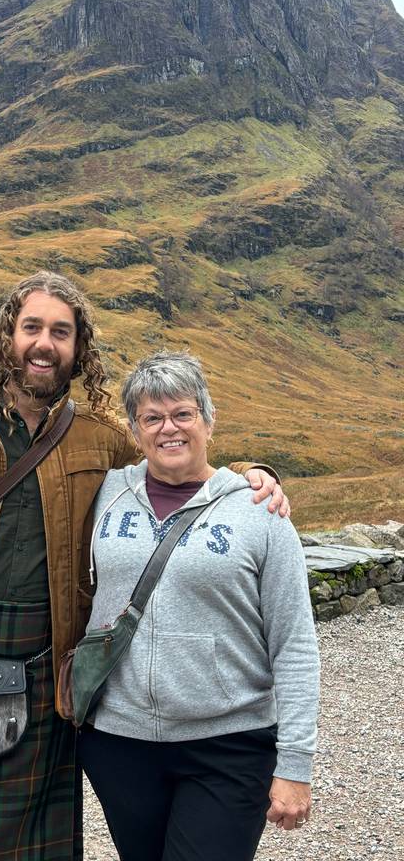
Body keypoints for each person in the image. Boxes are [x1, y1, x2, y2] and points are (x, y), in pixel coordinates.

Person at [0, 271, 289, 861]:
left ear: (78, 348)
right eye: (33, 327)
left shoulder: (99, 437)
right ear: (8, 334)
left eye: (62, 332)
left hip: (43, 663)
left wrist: (252, 475)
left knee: (32, 845)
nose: (45, 343)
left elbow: (178, 462)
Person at [78, 349, 320, 861]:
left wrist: (294, 764)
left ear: (208, 420)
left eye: (183, 414)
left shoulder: (260, 510)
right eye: (153, 417)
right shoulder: (106, 494)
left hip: (230, 745)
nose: (170, 428)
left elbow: (295, 642)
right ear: (135, 429)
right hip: (119, 744)